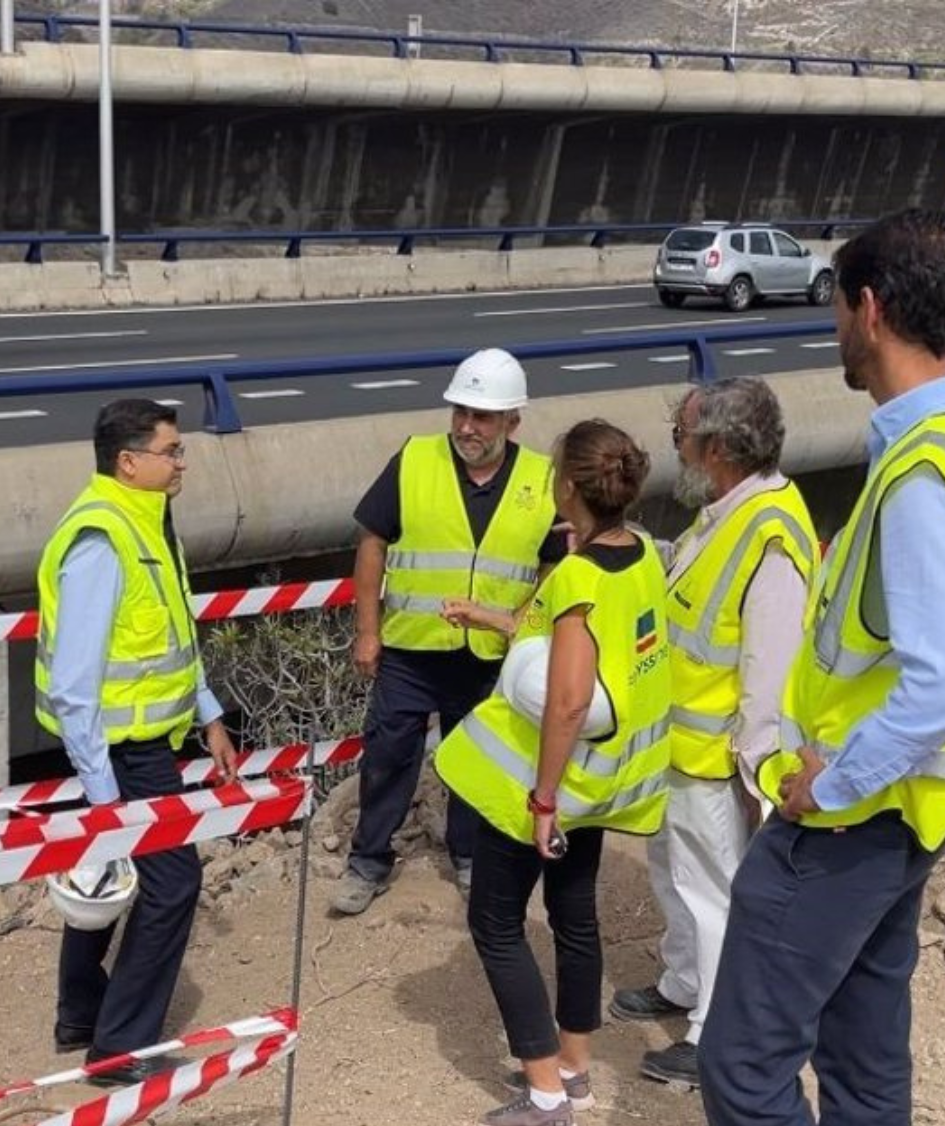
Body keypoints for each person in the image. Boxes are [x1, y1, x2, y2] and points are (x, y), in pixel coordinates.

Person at [699, 208, 945, 1125]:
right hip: (910, 816)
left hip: (855, 818)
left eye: (839, 304)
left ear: (871, 309)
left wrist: (833, 787)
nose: (834, 323)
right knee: (863, 1053)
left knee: (740, 1066)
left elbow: (940, 683)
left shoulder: (923, 478)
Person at [434, 419, 674, 1126]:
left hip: (545, 790)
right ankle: (574, 1070)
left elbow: (566, 696)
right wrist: (489, 615)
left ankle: (543, 1096)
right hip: (600, 784)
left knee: (496, 922)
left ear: (568, 487)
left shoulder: (575, 577)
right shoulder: (643, 556)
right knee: (574, 918)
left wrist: (541, 800)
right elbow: (578, 651)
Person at [607, 377, 814, 1090]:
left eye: (682, 438)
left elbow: (771, 669)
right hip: (679, 750)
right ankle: (684, 981)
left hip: (714, 760)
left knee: (715, 892)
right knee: (673, 874)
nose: (677, 451)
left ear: (718, 448)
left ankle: (712, 1033)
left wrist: (756, 772)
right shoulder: (725, 513)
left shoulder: (771, 535)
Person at [34, 397, 239, 1088]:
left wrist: (209, 713)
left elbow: (171, 640)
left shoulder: (147, 523)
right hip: (122, 754)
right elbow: (74, 685)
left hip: (146, 742)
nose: (181, 461)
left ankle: (80, 1015)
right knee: (174, 883)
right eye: (171, 450)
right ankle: (120, 1049)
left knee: (107, 876)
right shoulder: (103, 540)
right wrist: (104, 796)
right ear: (129, 462)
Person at [331, 348, 567, 915]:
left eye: (481, 417)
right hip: (411, 649)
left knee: (476, 759)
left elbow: (555, 570)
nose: (466, 426)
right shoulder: (414, 459)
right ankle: (369, 861)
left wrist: (522, 630)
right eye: (460, 412)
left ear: (513, 421)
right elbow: (372, 541)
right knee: (389, 752)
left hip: (489, 655)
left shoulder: (543, 478)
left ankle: (469, 858)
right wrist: (368, 632)